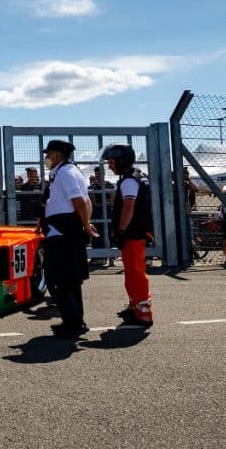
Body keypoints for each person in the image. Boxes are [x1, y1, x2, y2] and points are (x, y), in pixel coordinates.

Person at [41, 140, 94, 338]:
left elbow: (80, 200)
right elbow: (85, 201)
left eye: (49, 153)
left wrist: (85, 224)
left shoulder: (65, 173)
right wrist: (85, 222)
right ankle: (73, 321)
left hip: (63, 234)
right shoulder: (64, 173)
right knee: (67, 280)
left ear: (57, 154)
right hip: (62, 231)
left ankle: (73, 324)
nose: (46, 157)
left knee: (61, 280)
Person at [102, 144, 154, 327]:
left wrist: (120, 231)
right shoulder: (135, 176)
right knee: (132, 272)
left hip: (132, 233)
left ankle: (143, 311)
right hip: (136, 231)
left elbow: (128, 207)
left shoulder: (129, 181)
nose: (109, 166)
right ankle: (135, 306)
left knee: (135, 273)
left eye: (111, 162)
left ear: (121, 161)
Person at [88, 166, 115, 267]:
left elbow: (112, 200)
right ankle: (99, 257)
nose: (98, 176)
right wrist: (105, 202)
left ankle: (109, 257)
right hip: (96, 213)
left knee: (108, 234)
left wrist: (101, 203)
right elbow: (93, 202)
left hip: (107, 213)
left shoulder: (109, 185)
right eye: (97, 174)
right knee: (97, 234)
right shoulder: (92, 186)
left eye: (100, 174)